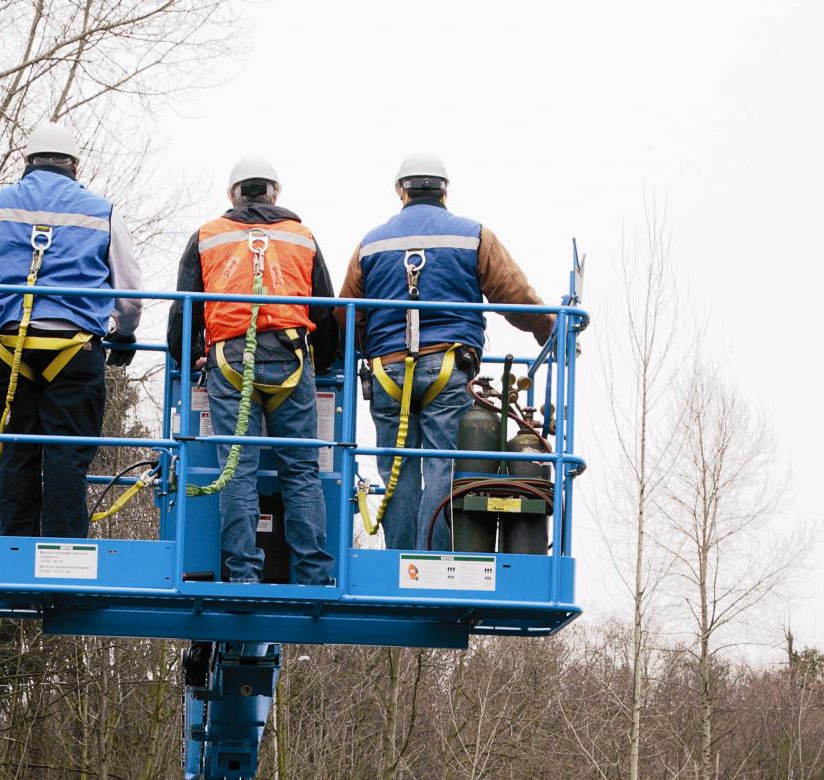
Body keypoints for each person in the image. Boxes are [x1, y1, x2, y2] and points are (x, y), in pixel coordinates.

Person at [337, 153, 554, 551]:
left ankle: (397, 560)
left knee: (396, 469)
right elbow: (514, 295)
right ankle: (429, 562)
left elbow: (346, 314)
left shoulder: (371, 244)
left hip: (387, 371)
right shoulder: (473, 236)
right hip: (447, 367)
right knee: (443, 466)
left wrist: (360, 350)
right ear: (444, 190)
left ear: (400, 191)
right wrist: (548, 329)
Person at [170, 157, 341, 584]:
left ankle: (243, 572)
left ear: (233, 194)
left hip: (229, 360)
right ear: (275, 193)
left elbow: (183, 309)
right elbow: (325, 308)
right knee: (301, 468)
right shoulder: (302, 237)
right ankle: (313, 573)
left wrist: (188, 353)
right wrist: (323, 358)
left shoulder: (209, 236)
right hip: (292, 358)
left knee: (237, 468)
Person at [0, 121, 142, 537]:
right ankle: (64, 557)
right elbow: (131, 292)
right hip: (75, 347)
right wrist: (124, 333)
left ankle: (14, 552)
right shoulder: (100, 210)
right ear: (73, 165)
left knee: (15, 453)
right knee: (66, 455)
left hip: (8, 347)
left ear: (28, 161)